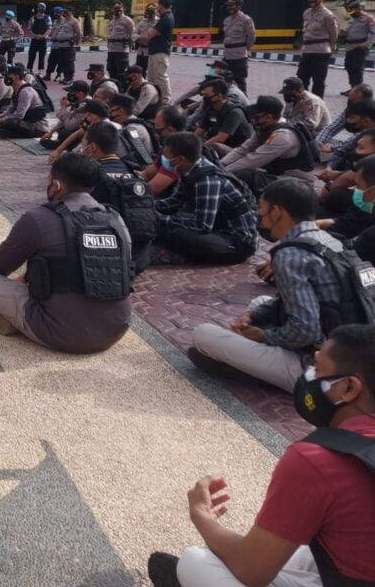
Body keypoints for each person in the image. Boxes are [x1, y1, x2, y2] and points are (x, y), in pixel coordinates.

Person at [148, 324, 375, 587]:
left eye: (319, 369)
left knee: (195, 563)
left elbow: (251, 571)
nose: (309, 375)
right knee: (304, 545)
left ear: (348, 388)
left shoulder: (318, 461)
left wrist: (201, 515)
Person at [188, 178, 352, 393]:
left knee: (203, 335)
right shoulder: (330, 241)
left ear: (277, 212)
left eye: (262, 212)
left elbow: (305, 331)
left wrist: (263, 336)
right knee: (260, 303)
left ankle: (281, 377)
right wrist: (254, 316)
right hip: (349, 349)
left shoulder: (290, 254)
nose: (261, 220)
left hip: (321, 370)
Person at [0, 152, 133, 353]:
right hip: (116, 329)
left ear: (57, 185)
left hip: (61, 332)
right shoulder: (115, 219)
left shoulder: (39, 219)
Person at [153, 132, 258, 265]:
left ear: (180, 160)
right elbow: (176, 201)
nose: (164, 161)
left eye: (167, 158)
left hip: (237, 242)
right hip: (217, 230)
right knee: (166, 227)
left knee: (173, 232)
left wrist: (160, 219)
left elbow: (202, 225)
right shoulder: (190, 170)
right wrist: (150, 207)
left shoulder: (208, 180)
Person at [83, 121, 156, 273]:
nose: (82, 148)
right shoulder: (135, 171)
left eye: (83, 143)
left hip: (109, 257)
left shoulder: (91, 175)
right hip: (139, 256)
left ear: (92, 147)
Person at [219, 95, 317, 199]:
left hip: (297, 184)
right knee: (218, 149)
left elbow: (252, 160)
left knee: (243, 175)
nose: (252, 119)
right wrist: (220, 165)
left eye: (256, 116)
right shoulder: (265, 127)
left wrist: (223, 172)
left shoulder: (283, 136)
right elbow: (243, 150)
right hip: (277, 174)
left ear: (268, 117)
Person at [0, 65, 49, 138]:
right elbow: (11, 109)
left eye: (9, 76)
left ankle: (2, 129)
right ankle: (1, 129)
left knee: (10, 123)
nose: (6, 78)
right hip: (25, 122)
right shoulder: (16, 89)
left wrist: (2, 120)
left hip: (37, 126)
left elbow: (19, 115)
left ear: (17, 77)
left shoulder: (26, 92)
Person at [297, 0, 340, 98]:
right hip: (307, 50)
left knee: (318, 80)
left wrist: (332, 47)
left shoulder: (328, 15)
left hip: (321, 51)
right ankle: (303, 101)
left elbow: (333, 33)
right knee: (301, 78)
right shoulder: (307, 13)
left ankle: (317, 104)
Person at [196, 79, 253, 156]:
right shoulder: (211, 109)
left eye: (207, 96)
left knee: (215, 146)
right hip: (225, 144)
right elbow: (199, 131)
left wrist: (197, 149)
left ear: (219, 96)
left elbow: (220, 138)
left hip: (238, 150)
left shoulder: (234, 112)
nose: (204, 98)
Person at [140, 106, 188, 196]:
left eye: (158, 129)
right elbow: (147, 174)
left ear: (170, 130)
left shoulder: (179, 153)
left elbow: (151, 189)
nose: (155, 133)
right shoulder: (170, 146)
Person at [317, 83, 374, 154]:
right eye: (349, 98)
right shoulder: (350, 109)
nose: (349, 102)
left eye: (353, 100)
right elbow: (333, 127)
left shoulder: (369, 117)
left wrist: (333, 148)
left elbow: (353, 141)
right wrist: (318, 142)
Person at [141, 0, 174, 103]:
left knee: (161, 76)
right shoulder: (163, 18)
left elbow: (151, 34)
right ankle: (154, 98)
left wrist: (151, 32)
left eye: (158, 5)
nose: (157, 8)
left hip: (161, 51)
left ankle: (165, 100)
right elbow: (152, 33)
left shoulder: (167, 18)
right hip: (154, 51)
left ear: (161, 5)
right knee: (152, 77)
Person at [40, 79, 91, 148]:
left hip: (85, 134)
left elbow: (70, 126)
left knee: (64, 132)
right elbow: (65, 120)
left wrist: (63, 108)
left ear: (80, 94)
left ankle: (66, 145)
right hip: (76, 130)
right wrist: (51, 132)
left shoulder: (85, 106)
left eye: (72, 92)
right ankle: (62, 143)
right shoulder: (78, 102)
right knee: (61, 129)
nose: (69, 95)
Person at [219, 0, 256, 92]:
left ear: (239, 6)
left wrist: (247, 49)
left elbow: (251, 36)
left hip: (239, 54)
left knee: (239, 81)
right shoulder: (226, 20)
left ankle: (244, 103)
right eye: (228, 5)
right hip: (227, 54)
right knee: (225, 80)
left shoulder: (246, 19)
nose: (229, 7)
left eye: (232, 5)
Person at [341, 0, 375, 93]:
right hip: (350, 47)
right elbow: (350, 30)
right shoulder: (353, 18)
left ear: (359, 8)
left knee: (357, 69)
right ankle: (353, 88)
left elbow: (373, 33)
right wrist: (344, 34)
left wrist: (367, 44)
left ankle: (358, 92)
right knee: (348, 66)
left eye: (352, 10)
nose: (351, 13)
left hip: (360, 47)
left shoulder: (368, 18)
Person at [48, 6, 81, 85]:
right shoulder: (64, 21)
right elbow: (58, 31)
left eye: (67, 11)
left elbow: (79, 33)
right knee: (62, 62)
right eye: (64, 11)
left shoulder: (74, 21)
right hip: (60, 45)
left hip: (69, 45)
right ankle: (65, 77)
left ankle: (70, 78)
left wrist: (75, 42)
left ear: (71, 12)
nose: (65, 13)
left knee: (69, 62)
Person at [105, 2, 135, 79]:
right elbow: (110, 33)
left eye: (119, 10)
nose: (117, 11)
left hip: (122, 49)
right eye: (115, 9)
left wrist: (130, 47)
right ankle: (114, 85)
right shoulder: (112, 21)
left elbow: (132, 34)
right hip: (111, 49)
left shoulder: (127, 20)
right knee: (111, 69)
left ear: (122, 10)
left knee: (122, 71)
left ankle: (122, 87)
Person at [26, 2, 51, 73]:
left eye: (42, 8)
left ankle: (40, 70)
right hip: (34, 39)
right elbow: (29, 28)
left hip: (43, 39)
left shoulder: (47, 17)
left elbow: (49, 28)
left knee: (42, 56)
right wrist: (34, 35)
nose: (41, 9)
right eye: (39, 7)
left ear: (45, 9)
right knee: (31, 55)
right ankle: (29, 69)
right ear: (37, 9)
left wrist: (43, 36)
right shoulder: (33, 18)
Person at [134, 3, 156, 76]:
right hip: (141, 51)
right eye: (148, 13)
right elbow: (133, 35)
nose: (149, 15)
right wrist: (141, 37)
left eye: (151, 13)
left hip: (151, 51)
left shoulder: (158, 22)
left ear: (155, 13)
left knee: (150, 72)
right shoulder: (142, 22)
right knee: (139, 71)